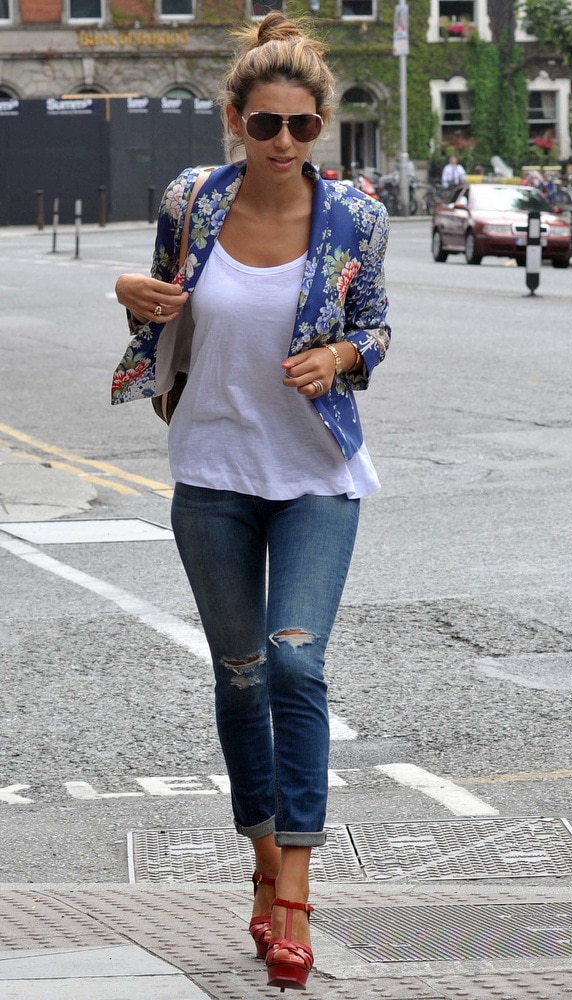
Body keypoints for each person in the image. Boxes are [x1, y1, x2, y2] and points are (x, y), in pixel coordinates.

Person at [111, 11, 390, 993]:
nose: (282, 143)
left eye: (301, 127)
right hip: (213, 474)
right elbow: (159, 293)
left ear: (320, 127)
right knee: (237, 678)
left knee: (292, 662)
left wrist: (342, 355)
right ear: (236, 120)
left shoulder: (356, 216)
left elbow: (377, 331)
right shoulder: (192, 199)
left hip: (316, 473)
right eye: (265, 125)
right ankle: (263, 864)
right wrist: (127, 291)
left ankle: (299, 900)